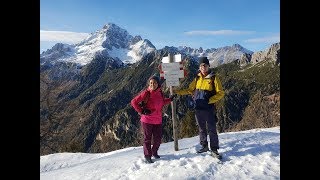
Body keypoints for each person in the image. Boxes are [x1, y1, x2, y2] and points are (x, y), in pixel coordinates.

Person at [173, 56, 225, 158]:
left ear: (208, 66)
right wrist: (177, 92)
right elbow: (190, 90)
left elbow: (220, 93)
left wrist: (210, 100)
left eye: (205, 65)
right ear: (199, 67)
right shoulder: (197, 78)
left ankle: (214, 149)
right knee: (201, 129)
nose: (203, 67)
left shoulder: (214, 77)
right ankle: (204, 146)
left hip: (209, 108)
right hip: (198, 108)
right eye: (201, 65)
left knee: (212, 129)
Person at [131, 75, 176, 163]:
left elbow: (162, 102)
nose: (152, 84)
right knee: (147, 138)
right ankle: (147, 155)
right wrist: (141, 111)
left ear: (158, 84)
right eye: (151, 83)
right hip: (147, 120)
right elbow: (133, 102)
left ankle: (154, 152)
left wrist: (170, 99)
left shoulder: (160, 93)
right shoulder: (146, 93)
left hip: (158, 120)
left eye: (154, 83)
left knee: (158, 139)